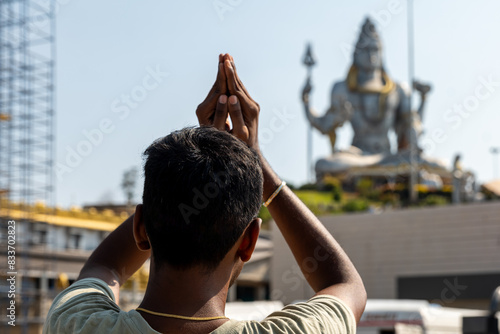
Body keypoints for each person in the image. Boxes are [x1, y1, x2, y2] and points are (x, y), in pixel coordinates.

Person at [43, 54, 366, 334]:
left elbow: (105, 267)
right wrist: (255, 160)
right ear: (250, 240)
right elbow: (345, 286)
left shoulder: (77, 324)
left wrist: (192, 170)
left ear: (140, 226)